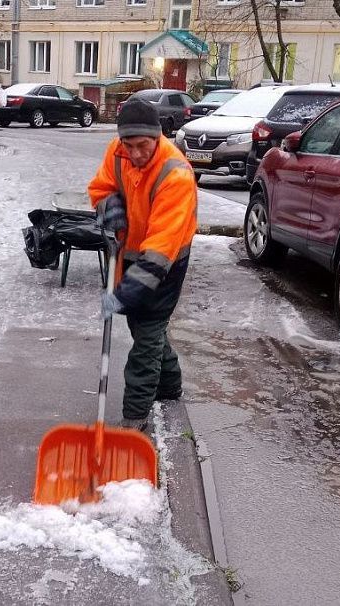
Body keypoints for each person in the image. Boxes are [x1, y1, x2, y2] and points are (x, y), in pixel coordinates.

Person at [87, 99, 198, 432]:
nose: (135, 154)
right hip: (131, 251)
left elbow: (160, 248)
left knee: (147, 337)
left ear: (158, 137)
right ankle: (170, 385)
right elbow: (101, 185)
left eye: (143, 146)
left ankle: (134, 420)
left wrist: (124, 294)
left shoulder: (175, 174)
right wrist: (108, 205)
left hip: (165, 261)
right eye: (129, 145)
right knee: (144, 328)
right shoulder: (118, 151)